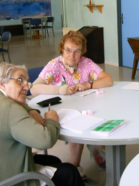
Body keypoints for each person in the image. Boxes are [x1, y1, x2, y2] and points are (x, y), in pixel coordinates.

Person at [0, 62, 89, 186]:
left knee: (53, 161)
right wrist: (52, 119)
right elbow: (45, 140)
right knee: (70, 172)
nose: (26, 86)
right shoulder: (9, 109)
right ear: (2, 83)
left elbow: (19, 103)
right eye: (20, 80)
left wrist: (31, 110)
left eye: (27, 82)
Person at [30, 31, 113, 175]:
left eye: (77, 51)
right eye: (68, 50)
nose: (72, 56)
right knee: (78, 125)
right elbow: (34, 89)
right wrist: (59, 90)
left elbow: (108, 80)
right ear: (62, 49)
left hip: (84, 108)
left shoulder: (86, 63)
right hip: (60, 113)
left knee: (97, 119)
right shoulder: (54, 65)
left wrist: (89, 85)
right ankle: (75, 168)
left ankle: (95, 151)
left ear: (82, 52)